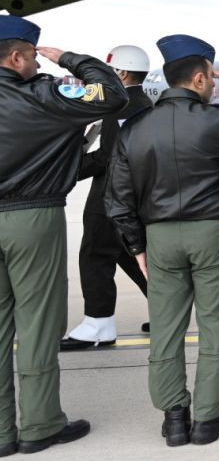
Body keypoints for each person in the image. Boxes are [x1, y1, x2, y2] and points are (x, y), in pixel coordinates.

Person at [106, 34, 219, 447]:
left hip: (159, 234)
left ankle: (173, 418)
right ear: (202, 78)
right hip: (213, 231)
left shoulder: (135, 128)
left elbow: (117, 197)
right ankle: (208, 417)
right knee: (215, 323)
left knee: (166, 327)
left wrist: (136, 245)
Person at [0, 16, 127, 455]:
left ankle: (1, 432)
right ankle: (39, 425)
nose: (38, 63)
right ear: (17, 56)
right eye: (33, 56)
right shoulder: (46, 94)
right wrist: (71, 59)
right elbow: (113, 94)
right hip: (31, 216)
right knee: (36, 321)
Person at [62, 44, 154, 350]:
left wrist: (67, 172)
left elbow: (106, 158)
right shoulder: (148, 106)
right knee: (128, 254)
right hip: (139, 195)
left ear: (122, 73)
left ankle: (98, 324)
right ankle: (167, 311)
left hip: (109, 196)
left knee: (95, 255)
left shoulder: (120, 107)